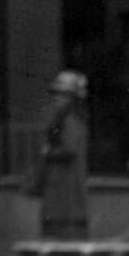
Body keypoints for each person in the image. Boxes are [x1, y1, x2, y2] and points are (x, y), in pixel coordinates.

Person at [27, 70, 91, 239]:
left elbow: (70, 149)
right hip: (61, 187)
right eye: (56, 94)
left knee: (61, 235)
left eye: (62, 94)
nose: (57, 98)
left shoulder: (70, 120)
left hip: (64, 188)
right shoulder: (68, 118)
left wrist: (48, 152)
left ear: (72, 97)